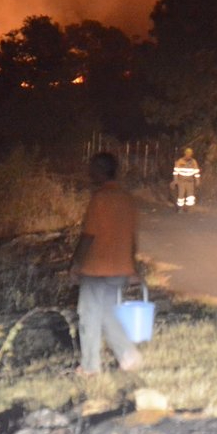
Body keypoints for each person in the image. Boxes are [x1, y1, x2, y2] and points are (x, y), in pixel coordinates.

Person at [70, 152, 142, 375]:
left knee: (89, 315)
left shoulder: (99, 198)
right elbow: (132, 237)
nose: (89, 172)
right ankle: (129, 357)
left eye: (93, 168)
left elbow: (88, 235)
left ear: (101, 170)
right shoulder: (127, 198)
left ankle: (91, 366)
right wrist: (131, 266)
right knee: (109, 313)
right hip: (120, 267)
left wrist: (76, 263)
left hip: (96, 267)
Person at [171, 147, 201, 212]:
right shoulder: (180, 161)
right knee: (181, 194)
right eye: (187, 153)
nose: (188, 154)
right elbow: (176, 171)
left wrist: (197, 180)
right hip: (181, 180)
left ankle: (188, 208)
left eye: (190, 153)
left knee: (190, 196)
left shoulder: (193, 162)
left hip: (190, 181)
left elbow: (196, 171)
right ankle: (180, 208)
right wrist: (175, 180)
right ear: (185, 153)